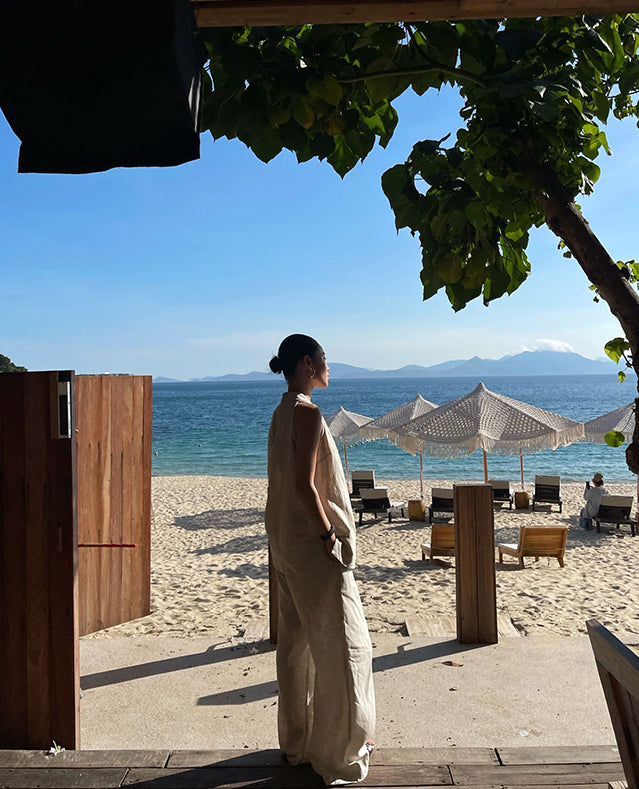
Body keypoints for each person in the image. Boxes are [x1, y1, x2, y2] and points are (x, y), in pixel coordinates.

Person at [265, 333, 375, 785]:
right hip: (313, 546)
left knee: (295, 649)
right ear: (309, 364)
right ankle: (340, 753)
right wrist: (330, 534)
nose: (330, 367)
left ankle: (296, 745)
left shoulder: (281, 412)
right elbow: (305, 484)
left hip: (285, 542)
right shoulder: (308, 413)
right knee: (345, 648)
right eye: (325, 359)